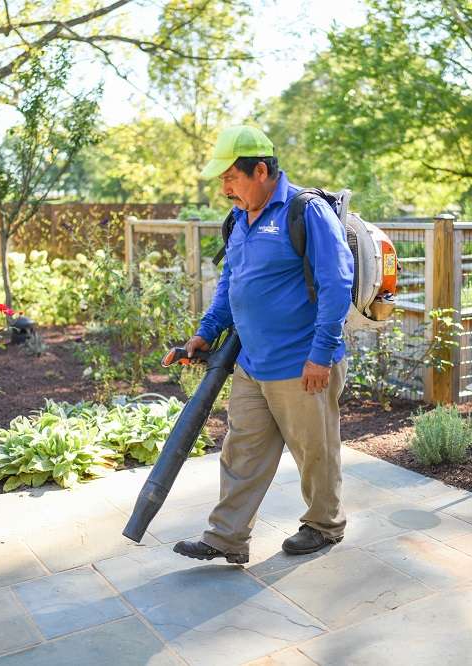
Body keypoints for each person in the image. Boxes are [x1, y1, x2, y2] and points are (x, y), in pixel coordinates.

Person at [173, 125, 354, 565]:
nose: (224, 188)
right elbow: (231, 285)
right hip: (252, 362)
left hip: (302, 362)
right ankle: (227, 537)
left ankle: (323, 525)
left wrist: (320, 355)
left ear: (260, 171)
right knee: (242, 452)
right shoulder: (238, 219)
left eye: (230, 177)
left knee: (315, 451)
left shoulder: (304, 211)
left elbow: (336, 284)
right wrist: (206, 331)